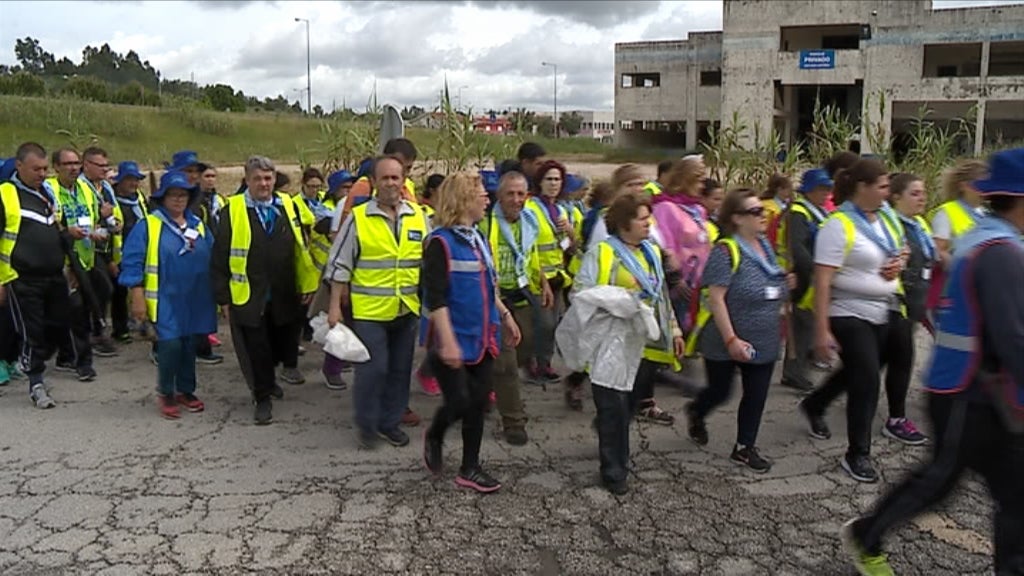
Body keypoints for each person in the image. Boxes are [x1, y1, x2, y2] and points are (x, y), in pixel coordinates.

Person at [841, 148, 1024, 576]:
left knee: (1014, 493)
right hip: (967, 392)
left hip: (980, 389)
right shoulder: (998, 250)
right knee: (941, 480)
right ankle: (867, 534)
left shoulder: (993, 238)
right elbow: (1013, 337)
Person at [800, 158, 905, 484]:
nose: (888, 192)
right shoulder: (838, 224)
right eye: (883, 186)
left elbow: (900, 248)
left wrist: (899, 263)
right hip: (848, 311)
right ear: (863, 187)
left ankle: (816, 403)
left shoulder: (885, 217)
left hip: (885, 308)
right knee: (867, 380)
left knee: (864, 368)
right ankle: (857, 453)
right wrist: (821, 332)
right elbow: (823, 280)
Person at [572, 191, 684, 494]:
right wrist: (619, 303)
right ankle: (614, 471)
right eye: (642, 219)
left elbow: (660, 297)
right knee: (614, 406)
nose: (649, 224)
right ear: (624, 224)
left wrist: (674, 330)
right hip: (610, 342)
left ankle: (614, 447)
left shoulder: (651, 252)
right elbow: (580, 293)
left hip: (642, 344)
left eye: (649, 218)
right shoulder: (603, 253)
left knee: (626, 406)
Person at [421, 172, 522, 492]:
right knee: (460, 402)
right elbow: (435, 298)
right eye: (482, 194)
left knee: (478, 403)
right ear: (463, 200)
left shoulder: (479, 239)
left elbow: (489, 286)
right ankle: (435, 434)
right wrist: (448, 342)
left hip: (482, 338)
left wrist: (505, 316)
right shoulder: (440, 243)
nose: (487, 200)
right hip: (452, 339)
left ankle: (470, 468)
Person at [326, 155, 429, 447]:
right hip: (370, 312)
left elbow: (429, 259)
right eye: (385, 178)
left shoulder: (418, 216)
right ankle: (367, 425)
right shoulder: (359, 218)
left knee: (399, 371)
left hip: (406, 308)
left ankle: (389, 423)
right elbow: (339, 264)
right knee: (374, 369)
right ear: (373, 182)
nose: (391, 183)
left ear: (403, 181)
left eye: (396, 178)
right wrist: (334, 306)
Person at [686, 189, 792, 473]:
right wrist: (731, 339)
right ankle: (697, 410)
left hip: (764, 337)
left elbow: (773, 284)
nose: (764, 215)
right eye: (755, 212)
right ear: (736, 218)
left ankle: (745, 447)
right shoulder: (725, 251)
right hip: (726, 338)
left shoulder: (765, 246)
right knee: (720, 391)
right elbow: (716, 299)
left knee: (756, 394)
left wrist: (786, 285)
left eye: (763, 210)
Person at [211, 156, 320, 425]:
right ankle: (261, 398)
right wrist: (223, 298)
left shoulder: (287, 205)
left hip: (285, 292)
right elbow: (219, 257)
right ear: (247, 180)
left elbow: (300, 247)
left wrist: (307, 284)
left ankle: (269, 382)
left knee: (279, 346)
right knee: (256, 349)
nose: (264, 184)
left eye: (268, 178)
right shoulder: (232, 210)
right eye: (257, 178)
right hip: (249, 295)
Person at [119, 171, 217, 420]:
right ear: (162, 198)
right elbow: (132, 261)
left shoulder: (197, 225)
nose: (178, 199)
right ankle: (166, 392)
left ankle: (186, 390)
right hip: (164, 298)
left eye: (183, 195)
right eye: (172, 194)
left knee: (189, 344)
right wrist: (137, 293)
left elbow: (214, 253)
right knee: (170, 344)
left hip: (194, 297)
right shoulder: (148, 225)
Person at [479, 171, 548, 443]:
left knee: (527, 346)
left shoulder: (530, 221)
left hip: (522, 293)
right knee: (506, 363)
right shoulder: (486, 223)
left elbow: (531, 254)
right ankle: (514, 422)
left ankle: (486, 381)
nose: (517, 199)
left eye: (521, 194)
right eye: (510, 194)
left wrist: (542, 280)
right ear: (499, 195)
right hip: (495, 298)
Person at [0, 142, 71, 408]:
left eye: (44, 169)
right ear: (19, 166)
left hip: (54, 275)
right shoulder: (5, 194)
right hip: (21, 277)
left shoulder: (47, 193)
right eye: (36, 169)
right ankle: (36, 383)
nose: (42, 174)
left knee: (58, 323)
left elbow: (58, 229)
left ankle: (26, 359)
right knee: (33, 331)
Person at [874, 173, 936, 447]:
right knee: (902, 359)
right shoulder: (892, 226)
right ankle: (896, 420)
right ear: (896, 197)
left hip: (916, 304)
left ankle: (819, 402)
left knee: (875, 363)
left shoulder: (919, 224)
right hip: (897, 305)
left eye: (923, 192)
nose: (922, 198)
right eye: (915, 193)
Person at [44, 148, 102, 380]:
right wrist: (68, 232)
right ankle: (81, 362)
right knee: (74, 313)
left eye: (76, 163)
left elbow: (93, 218)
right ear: (56, 167)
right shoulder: (49, 190)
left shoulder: (86, 188)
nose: (74, 168)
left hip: (86, 259)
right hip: (63, 263)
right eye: (68, 164)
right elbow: (49, 227)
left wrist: (98, 231)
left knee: (80, 311)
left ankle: (68, 356)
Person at [777, 168, 835, 392]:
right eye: (821, 189)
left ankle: (798, 369)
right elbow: (797, 248)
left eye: (827, 189)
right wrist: (815, 270)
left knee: (807, 326)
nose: (825, 193)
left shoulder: (817, 211)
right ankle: (794, 372)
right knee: (802, 326)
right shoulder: (799, 213)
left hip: (811, 274)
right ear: (809, 190)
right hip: (802, 276)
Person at [167, 150, 224, 365]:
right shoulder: (167, 197)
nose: (193, 175)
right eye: (188, 171)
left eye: (196, 171)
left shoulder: (200, 197)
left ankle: (201, 347)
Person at [523, 159, 576, 383]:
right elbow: (529, 247)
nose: (554, 183)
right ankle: (533, 363)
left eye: (557, 179)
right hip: (538, 276)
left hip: (558, 276)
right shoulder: (530, 209)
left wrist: (571, 232)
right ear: (540, 182)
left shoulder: (562, 210)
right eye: (549, 179)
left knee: (552, 325)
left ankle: (544, 364)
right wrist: (541, 277)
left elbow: (571, 247)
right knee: (543, 324)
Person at [925, 159, 987, 332]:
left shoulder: (985, 214)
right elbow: (938, 251)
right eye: (980, 184)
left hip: (977, 290)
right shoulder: (947, 213)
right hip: (951, 290)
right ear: (964, 186)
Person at [79, 146, 119, 357]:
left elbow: (112, 213)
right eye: (100, 165)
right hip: (86, 247)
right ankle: (94, 332)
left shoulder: (106, 187)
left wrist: (114, 222)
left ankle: (97, 329)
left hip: (104, 246)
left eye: (106, 165)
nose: (105, 169)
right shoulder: (81, 187)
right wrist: (101, 216)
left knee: (103, 289)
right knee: (100, 288)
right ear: (86, 165)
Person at [109, 161, 150, 343]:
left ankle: (143, 324)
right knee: (118, 294)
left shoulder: (139, 198)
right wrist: (110, 259)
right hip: (119, 253)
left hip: (141, 251)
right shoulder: (111, 200)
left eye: (136, 180)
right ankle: (120, 330)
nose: (134, 183)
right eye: (129, 179)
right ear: (120, 181)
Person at [340, 138, 419, 219]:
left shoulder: (408, 186)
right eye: (399, 165)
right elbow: (346, 221)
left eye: (408, 168)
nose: (405, 172)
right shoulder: (364, 186)